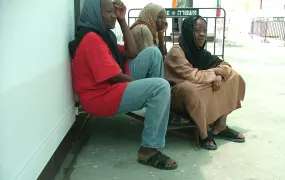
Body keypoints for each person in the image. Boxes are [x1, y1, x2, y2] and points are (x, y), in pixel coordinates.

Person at [68, 0, 178, 170]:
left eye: (115, 12)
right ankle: (148, 149)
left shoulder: (103, 35)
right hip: (100, 96)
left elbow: (131, 53)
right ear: (96, 13)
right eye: (109, 12)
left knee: (153, 53)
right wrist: (147, 87)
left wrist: (122, 20)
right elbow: (115, 77)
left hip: (112, 83)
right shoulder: (91, 39)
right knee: (160, 87)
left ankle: (155, 120)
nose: (113, 15)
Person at [164, 15, 246, 150]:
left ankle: (221, 125)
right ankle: (203, 133)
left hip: (198, 89)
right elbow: (193, 76)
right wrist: (215, 72)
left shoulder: (202, 53)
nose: (202, 34)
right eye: (197, 30)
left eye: (204, 30)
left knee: (233, 77)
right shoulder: (176, 52)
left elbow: (225, 65)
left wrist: (219, 75)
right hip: (176, 97)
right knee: (190, 88)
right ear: (188, 31)